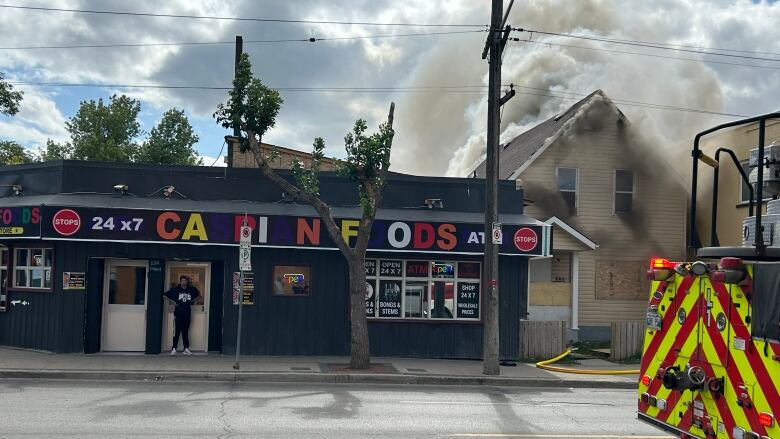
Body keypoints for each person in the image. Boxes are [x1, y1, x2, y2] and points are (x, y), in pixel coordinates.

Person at [164, 275, 200, 355]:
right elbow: (164, 295)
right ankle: (174, 348)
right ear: (180, 281)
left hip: (187, 313)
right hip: (178, 313)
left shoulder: (191, 289)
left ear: (187, 282)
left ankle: (186, 348)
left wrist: (193, 301)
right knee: (176, 332)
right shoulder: (176, 289)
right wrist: (172, 302)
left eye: (185, 280)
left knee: (185, 331)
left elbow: (199, 295)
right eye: (182, 280)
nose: (184, 282)